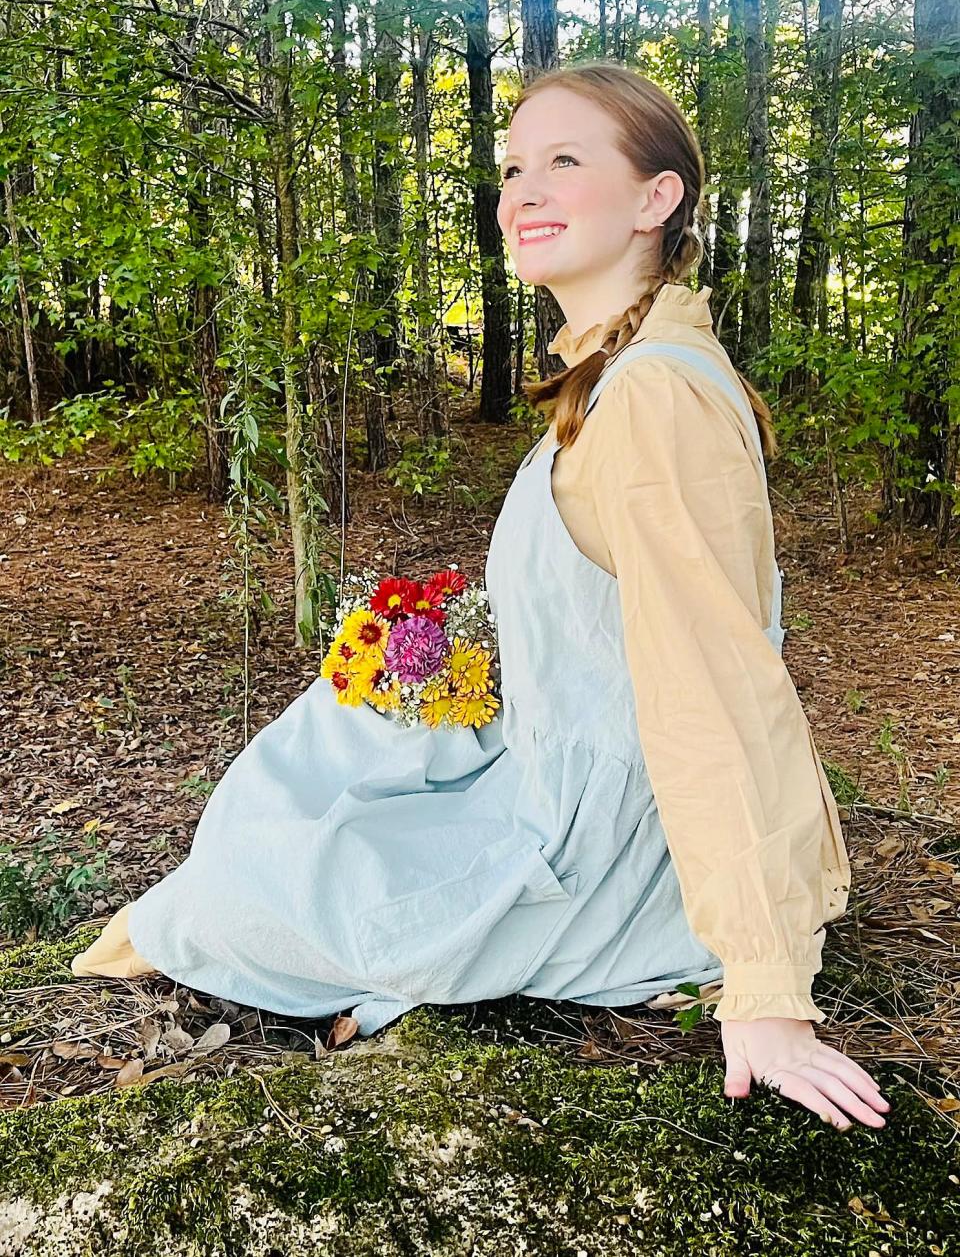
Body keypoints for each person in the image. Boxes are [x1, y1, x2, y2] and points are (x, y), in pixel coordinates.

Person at [72, 60, 889, 1133]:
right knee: (326, 750)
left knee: (274, 869)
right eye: (512, 167)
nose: (522, 192)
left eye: (564, 160)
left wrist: (766, 987)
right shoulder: (629, 367)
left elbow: (720, 685)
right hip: (571, 781)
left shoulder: (656, 399)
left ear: (657, 198)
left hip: (601, 851)